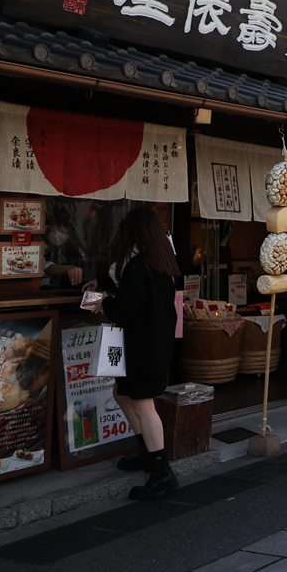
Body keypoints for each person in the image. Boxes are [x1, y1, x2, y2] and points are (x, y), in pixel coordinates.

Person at [88, 207, 180, 500]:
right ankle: (147, 454)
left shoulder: (139, 266)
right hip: (155, 345)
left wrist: (104, 301)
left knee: (144, 405)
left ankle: (162, 472)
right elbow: (138, 301)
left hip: (143, 348)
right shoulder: (162, 263)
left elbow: (127, 309)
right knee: (123, 394)